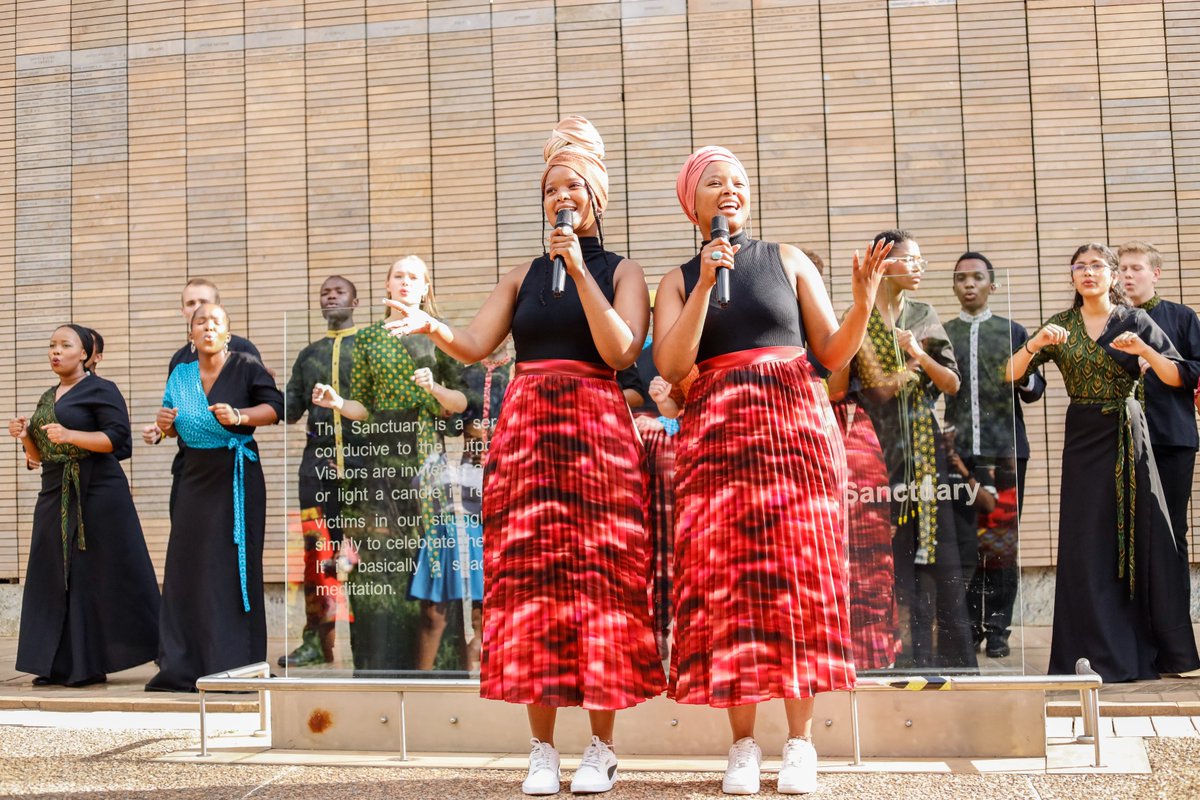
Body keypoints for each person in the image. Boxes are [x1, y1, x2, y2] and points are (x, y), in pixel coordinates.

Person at [383, 115, 662, 796]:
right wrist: (432, 327)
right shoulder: (521, 275)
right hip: (529, 430)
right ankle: (543, 749)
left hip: (597, 430)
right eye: (549, 190)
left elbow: (622, 349)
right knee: (535, 586)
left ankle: (602, 746)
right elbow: (477, 344)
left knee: (601, 585)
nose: (559, 198)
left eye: (571, 186)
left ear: (595, 195)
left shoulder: (622, 270)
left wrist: (577, 265)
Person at [653, 145, 891, 796]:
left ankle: (801, 743)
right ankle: (740, 748)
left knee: (798, 580)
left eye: (738, 181)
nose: (729, 190)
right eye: (713, 182)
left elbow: (832, 353)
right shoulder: (677, 279)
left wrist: (863, 302)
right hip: (716, 443)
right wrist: (705, 281)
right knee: (729, 587)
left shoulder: (784, 259)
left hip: (795, 432)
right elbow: (672, 366)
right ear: (691, 202)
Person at [1005, 243, 1200, 682]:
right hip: (1082, 437)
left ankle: (1150, 648)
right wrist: (1033, 344)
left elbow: (1177, 376)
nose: (1087, 273)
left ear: (1113, 275)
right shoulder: (1060, 325)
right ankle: (1083, 651)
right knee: (1084, 541)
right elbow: (1010, 374)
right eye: (1080, 267)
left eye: (1096, 266)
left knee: (1139, 537)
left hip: (1129, 434)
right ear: (1073, 277)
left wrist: (1145, 352)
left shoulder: (1135, 320)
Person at [310, 255, 467, 675]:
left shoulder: (439, 335)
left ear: (424, 287)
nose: (404, 282)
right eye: (398, 275)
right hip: (380, 459)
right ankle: (381, 666)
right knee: (383, 563)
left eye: (413, 276)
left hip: (425, 456)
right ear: (387, 284)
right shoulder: (367, 339)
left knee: (430, 564)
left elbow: (461, 404)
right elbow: (364, 406)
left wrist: (434, 388)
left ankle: (437, 669)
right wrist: (338, 403)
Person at [838, 230, 976, 673]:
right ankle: (885, 658)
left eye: (921, 260)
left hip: (922, 445)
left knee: (934, 552)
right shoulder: (854, 317)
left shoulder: (923, 314)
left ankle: (940, 658)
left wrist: (917, 352)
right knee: (883, 552)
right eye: (910, 259)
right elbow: (842, 389)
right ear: (884, 262)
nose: (918, 267)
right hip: (872, 448)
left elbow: (952, 384)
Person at [9, 325, 160, 687]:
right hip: (54, 492)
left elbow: (118, 440)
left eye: (65, 345)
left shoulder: (102, 389)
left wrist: (71, 435)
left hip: (98, 492)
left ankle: (91, 664)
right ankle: (57, 664)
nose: (55, 352)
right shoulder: (47, 396)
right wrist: (26, 436)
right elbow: (38, 456)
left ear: (87, 354)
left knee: (97, 575)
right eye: (51, 346)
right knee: (53, 576)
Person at [145, 304, 284, 691]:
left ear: (228, 333)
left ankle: (234, 662)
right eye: (200, 322)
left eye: (216, 323)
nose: (208, 327)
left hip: (236, 476)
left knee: (231, 564)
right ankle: (185, 664)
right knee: (188, 568)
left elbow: (277, 407)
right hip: (192, 478)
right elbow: (176, 428)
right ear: (191, 334)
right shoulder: (181, 373)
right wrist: (163, 427)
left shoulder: (245, 365)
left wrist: (240, 417)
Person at [943, 252, 1045, 659]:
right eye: (961, 278)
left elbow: (1035, 391)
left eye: (978, 278)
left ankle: (999, 629)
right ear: (954, 286)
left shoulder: (1013, 331)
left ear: (992, 286)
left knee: (1001, 544)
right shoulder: (943, 332)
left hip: (1006, 454)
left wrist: (1025, 373)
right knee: (967, 545)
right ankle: (969, 627)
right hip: (961, 458)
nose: (969, 284)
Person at [279, 276, 361, 669]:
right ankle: (317, 643)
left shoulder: (370, 345)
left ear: (355, 301)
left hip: (366, 466)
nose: (331, 297)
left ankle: (370, 644)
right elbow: (289, 408)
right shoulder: (309, 354)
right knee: (317, 556)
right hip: (316, 468)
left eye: (338, 292)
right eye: (325, 293)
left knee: (365, 555)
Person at [1118, 240, 1200, 605]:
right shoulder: (1109, 319)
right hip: (1118, 442)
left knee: (1172, 533)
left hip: (1172, 438)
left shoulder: (1182, 317)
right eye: (1122, 268)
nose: (1128, 275)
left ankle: (1175, 627)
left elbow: (1196, 370)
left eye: (1136, 268)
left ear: (1156, 273)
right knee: (1123, 534)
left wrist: (1159, 360)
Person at [141, 279, 265, 520]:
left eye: (204, 301)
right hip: (189, 465)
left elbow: (268, 404)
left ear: (219, 306)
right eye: (190, 303)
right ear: (183, 311)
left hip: (230, 465)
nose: (196, 307)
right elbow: (182, 412)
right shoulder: (179, 359)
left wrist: (238, 415)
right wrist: (162, 430)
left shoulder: (242, 350)